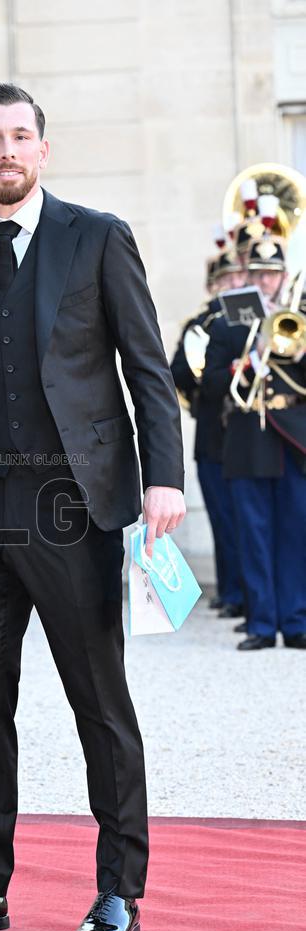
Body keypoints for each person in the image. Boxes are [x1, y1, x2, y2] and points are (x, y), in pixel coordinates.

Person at [0, 83, 186, 931]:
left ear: (42, 150)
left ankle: (119, 890)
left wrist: (164, 480)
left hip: (74, 512)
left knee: (100, 707)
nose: (7, 151)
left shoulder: (97, 238)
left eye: (21, 136)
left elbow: (147, 370)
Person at [202, 235, 306, 650]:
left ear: (283, 276)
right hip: (246, 438)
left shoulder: (300, 316)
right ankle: (262, 623)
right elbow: (209, 385)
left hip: (292, 439)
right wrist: (244, 363)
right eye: (260, 274)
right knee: (254, 535)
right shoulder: (230, 320)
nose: (266, 282)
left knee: (296, 532)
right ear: (250, 274)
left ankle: (296, 620)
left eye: (273, 274)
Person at [171, 249, 246, 619]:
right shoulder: (200, 323)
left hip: (252, 435)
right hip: (214, 434)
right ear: (211, 285)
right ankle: (233, 590)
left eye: (237, 278)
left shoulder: (257, 321)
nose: (231, 285)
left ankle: (257, 594)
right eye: (224, 280)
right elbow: (178, 375)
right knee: (223, 518)